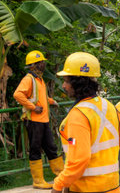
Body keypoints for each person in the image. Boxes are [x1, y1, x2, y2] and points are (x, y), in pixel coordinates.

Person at [51, 52, 120, 193]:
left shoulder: (78, 114)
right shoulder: (108, 105)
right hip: (112, 186)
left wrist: (58, 185)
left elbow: (79, 160)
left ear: (78, 83)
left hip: (87, 188)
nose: (64, 86)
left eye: (67, 81)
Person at [13, 50, 64, 189]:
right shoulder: (28, 79)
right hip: (34, 120)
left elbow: (40, 97)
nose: (43, 64)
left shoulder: (39, 79)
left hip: (43, 120)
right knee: (35, 149)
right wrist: (33, 107)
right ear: (34, 65)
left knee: (51, 148)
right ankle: (38, 181)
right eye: (41, 62)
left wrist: (51, 101)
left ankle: (61, 176)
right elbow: (17, 94)